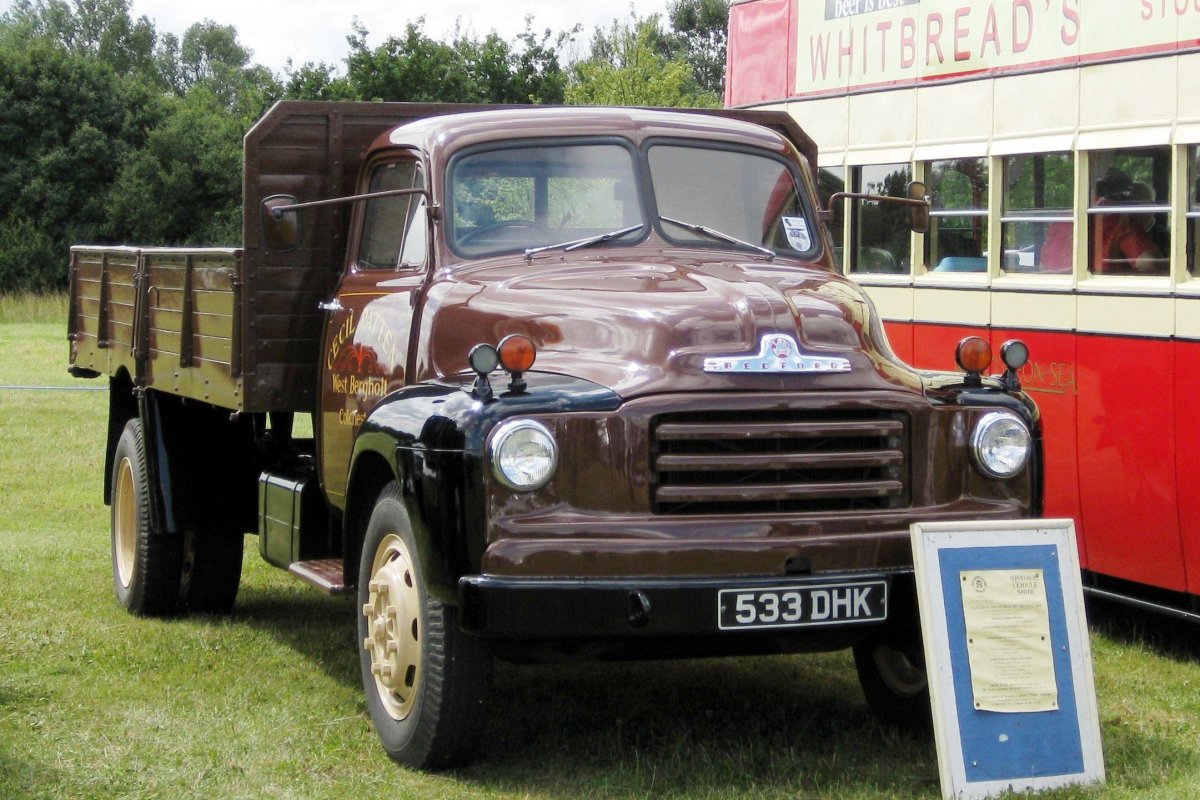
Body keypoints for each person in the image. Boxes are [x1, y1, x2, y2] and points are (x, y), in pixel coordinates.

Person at [1091, 169, 1165, 274]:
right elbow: (1148, 262)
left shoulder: (1092, 213)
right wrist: (1168, 263)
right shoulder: (1123, 223)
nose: (1152, 210)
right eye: (1149, 204)